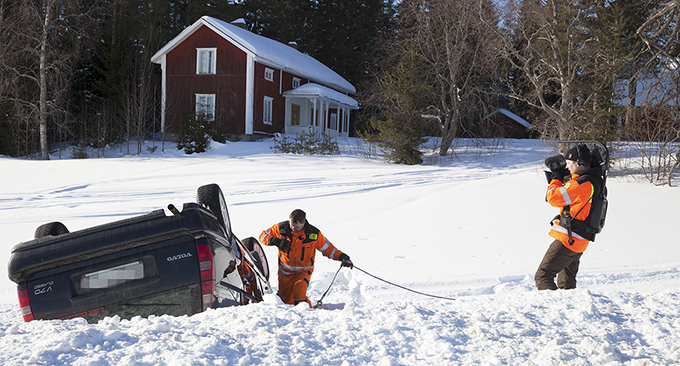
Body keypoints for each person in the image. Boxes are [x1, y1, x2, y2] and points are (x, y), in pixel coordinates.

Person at [535, 144, 603, 290]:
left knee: (543, 275)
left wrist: (556, 178)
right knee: (566, 282)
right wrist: (564, 178)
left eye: (568, 163)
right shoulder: (593, 180)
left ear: (578, 163)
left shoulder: (580, 184)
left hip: (569, 239)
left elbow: (552, 197)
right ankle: (569, 308)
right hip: (580, 239)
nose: (566, 167)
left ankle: (552, 309)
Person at [260, 209, 353, 307]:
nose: (293, 228)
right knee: (285, 301)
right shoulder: (281, 228)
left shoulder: (313, 234)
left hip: (303, 271)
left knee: (299, 294)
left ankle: (307, 312)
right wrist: (273, 240)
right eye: (292, 224)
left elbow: (328, 249)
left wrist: (342, 257)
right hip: (285, 272)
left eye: (296, 226)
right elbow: (262, 236)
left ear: (304, 223)